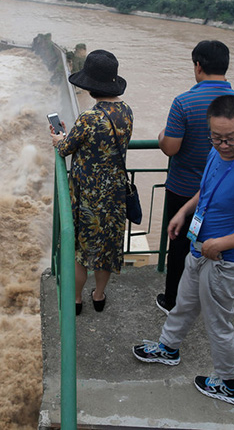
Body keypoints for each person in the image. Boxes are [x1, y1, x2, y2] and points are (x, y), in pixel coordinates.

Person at [133, 95, 234, 406]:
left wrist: (220, 243)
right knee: (182, 304)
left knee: (218, 325)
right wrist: (182, 211)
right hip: (199, 251)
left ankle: (230, 384)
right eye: (216, 137)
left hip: (224, 263)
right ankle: (168, 348)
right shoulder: (216, 153)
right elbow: (205, 190)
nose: (223, 144)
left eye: (230, 139)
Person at [156, 40, 234, 314]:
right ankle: (205, 298)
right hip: (225, 190)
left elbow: (171, 147)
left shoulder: (184, 101)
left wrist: (162, 136)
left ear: (198, 66)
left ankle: (173, 300)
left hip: (183, 189)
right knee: (213, 244)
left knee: (179, 245)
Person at [50, 49, 133, 315]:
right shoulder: (126, 112)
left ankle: (76, 299)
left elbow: (65, 149)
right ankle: (99, 295)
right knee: (106, 249)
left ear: (91, 86)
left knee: (81, 252)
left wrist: (58, 138)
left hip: (88, 197)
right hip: (115, 194)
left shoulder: (89, 118)